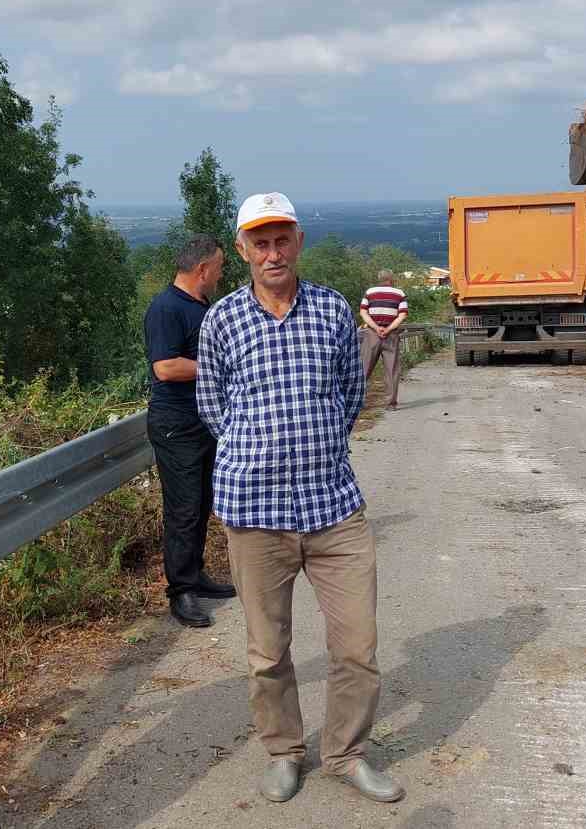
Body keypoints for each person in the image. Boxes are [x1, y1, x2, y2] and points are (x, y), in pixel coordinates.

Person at [197, 191, 404, 805]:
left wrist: (313, 449)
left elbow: (348, 395)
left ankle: (345, 752)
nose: (272, 252)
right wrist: (256, 451)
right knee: (268, 653)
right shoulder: (221, 322)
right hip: (255, 513)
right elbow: (213, 408)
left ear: (299, 241)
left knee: (357, 645)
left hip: (333, 507)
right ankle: (285, 751)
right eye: (259, 242)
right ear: (242, 251)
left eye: (281, 238)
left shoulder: (334, 311)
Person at [144, 234, 236, 628]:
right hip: (176, 426)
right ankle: (180, 591)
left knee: (200, 503)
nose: (220, 274)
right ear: (202, 269)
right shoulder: (166, 308)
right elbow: (164, 367)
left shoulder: (202, 307)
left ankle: (195, 574)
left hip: (203, 422)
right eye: (218, 267)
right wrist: (218, 369)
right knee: (182, 509)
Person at [358, 270, 409, 409]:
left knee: (364, 368)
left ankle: (357, 401)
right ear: (391, 279)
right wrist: (388, 329)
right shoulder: (400, 294)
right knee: (392, 370)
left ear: (379, 279)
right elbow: (402, 315)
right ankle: (391, 403)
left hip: (371, 335)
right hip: (391, 335)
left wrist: (375, 327)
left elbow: (363, 312)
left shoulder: (369, 292)